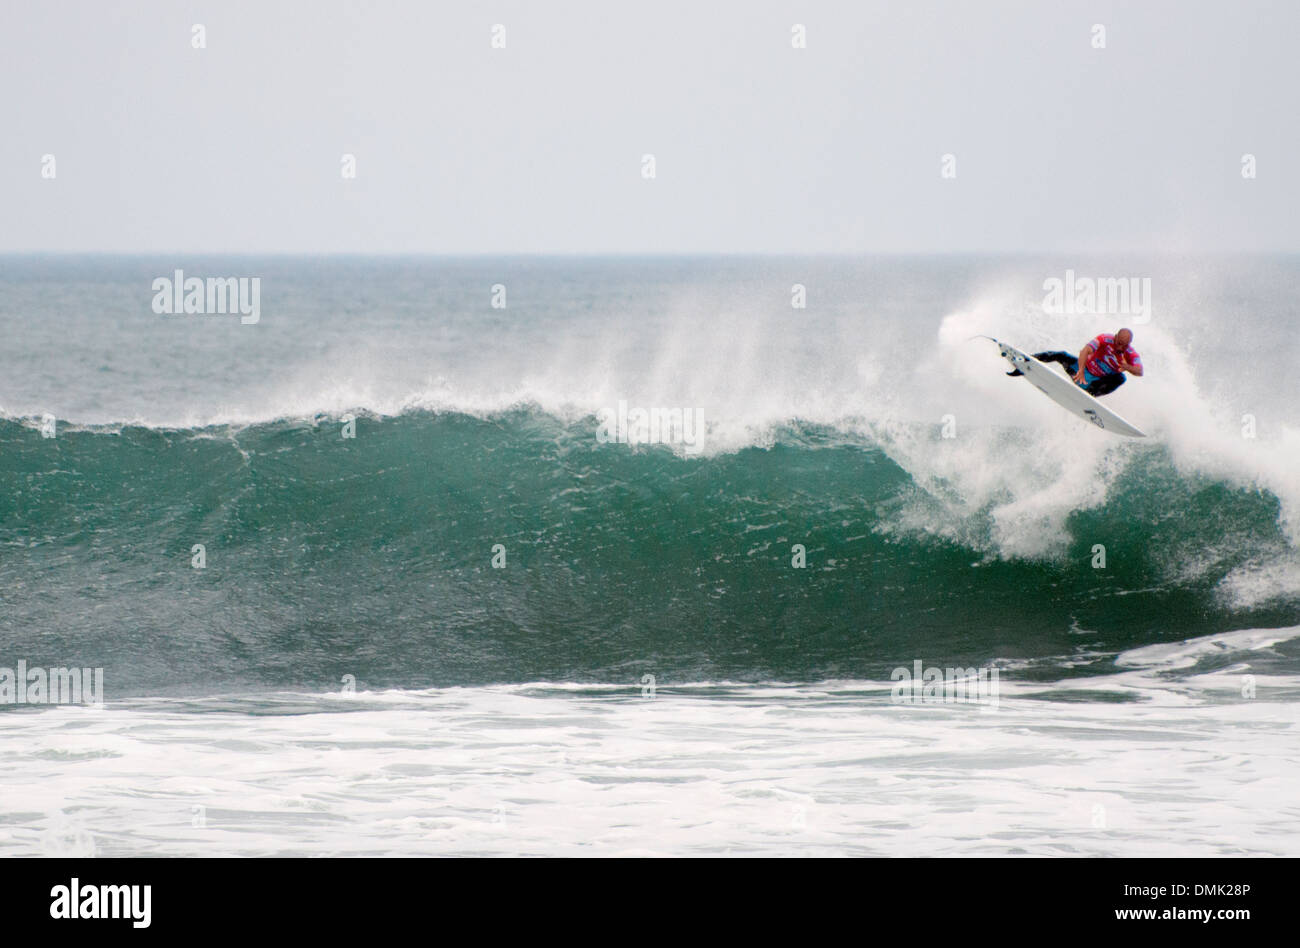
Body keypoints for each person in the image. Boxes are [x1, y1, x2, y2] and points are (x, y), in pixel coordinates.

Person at [1007, 328, 1144, 397]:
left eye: (1125, 345)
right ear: (1115, 337)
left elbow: (1140, 371)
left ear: (1129, 344)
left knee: (1121, 378)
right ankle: (1025, 362)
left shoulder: (1130, 353)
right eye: (1119, 343)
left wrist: (1127, 366)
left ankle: (1090, 396)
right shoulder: (1105, 339)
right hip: (1079, 372)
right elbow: (1085, 351)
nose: (1120, 348)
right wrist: (1081, 370)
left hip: (1094, 384)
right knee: (1060, 355)